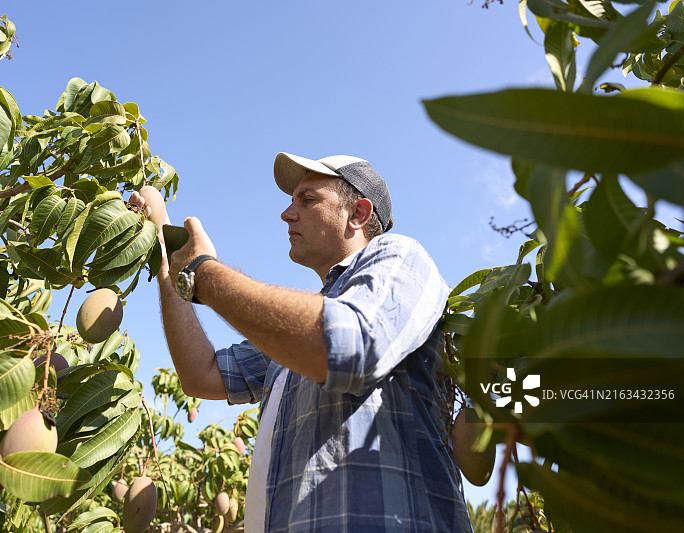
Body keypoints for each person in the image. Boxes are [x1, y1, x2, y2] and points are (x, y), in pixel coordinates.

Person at [133, 152, 472, 532]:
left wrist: (205, 275)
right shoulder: (297, 333)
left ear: (358, 213)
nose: (287, 214)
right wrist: (168, 266)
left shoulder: (402, 257)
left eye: (307, 200)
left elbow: (348, 345)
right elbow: (203, 375)